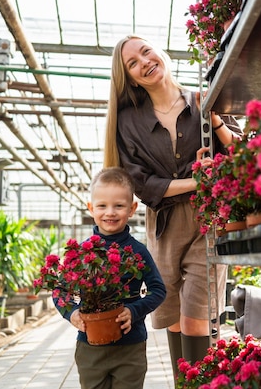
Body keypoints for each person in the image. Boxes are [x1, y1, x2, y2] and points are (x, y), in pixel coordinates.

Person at [103, 35, 243, 380]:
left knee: (197, 318)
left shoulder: (204, 100)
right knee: (176, 318)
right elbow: (141, 182)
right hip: (164, 226)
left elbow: (246, 156)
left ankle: (203, 385)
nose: (144, 62)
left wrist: (217, 120)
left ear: (159, 52)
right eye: (132, 64)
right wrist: (199, 178)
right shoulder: (128, 122)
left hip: (208, 220)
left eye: (145, 52)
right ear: (130, 79)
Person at [62, 166, 166, 389]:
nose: (110, 212)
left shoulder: (138, 251)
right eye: (102, 206)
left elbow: (158, 290)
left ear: (132, 208)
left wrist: (134, 311)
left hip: (131, 347)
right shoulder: (81, 254)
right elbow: (60, 291)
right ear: (91, 208)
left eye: (119, 206)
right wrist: (71, 313)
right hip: (90, 347)